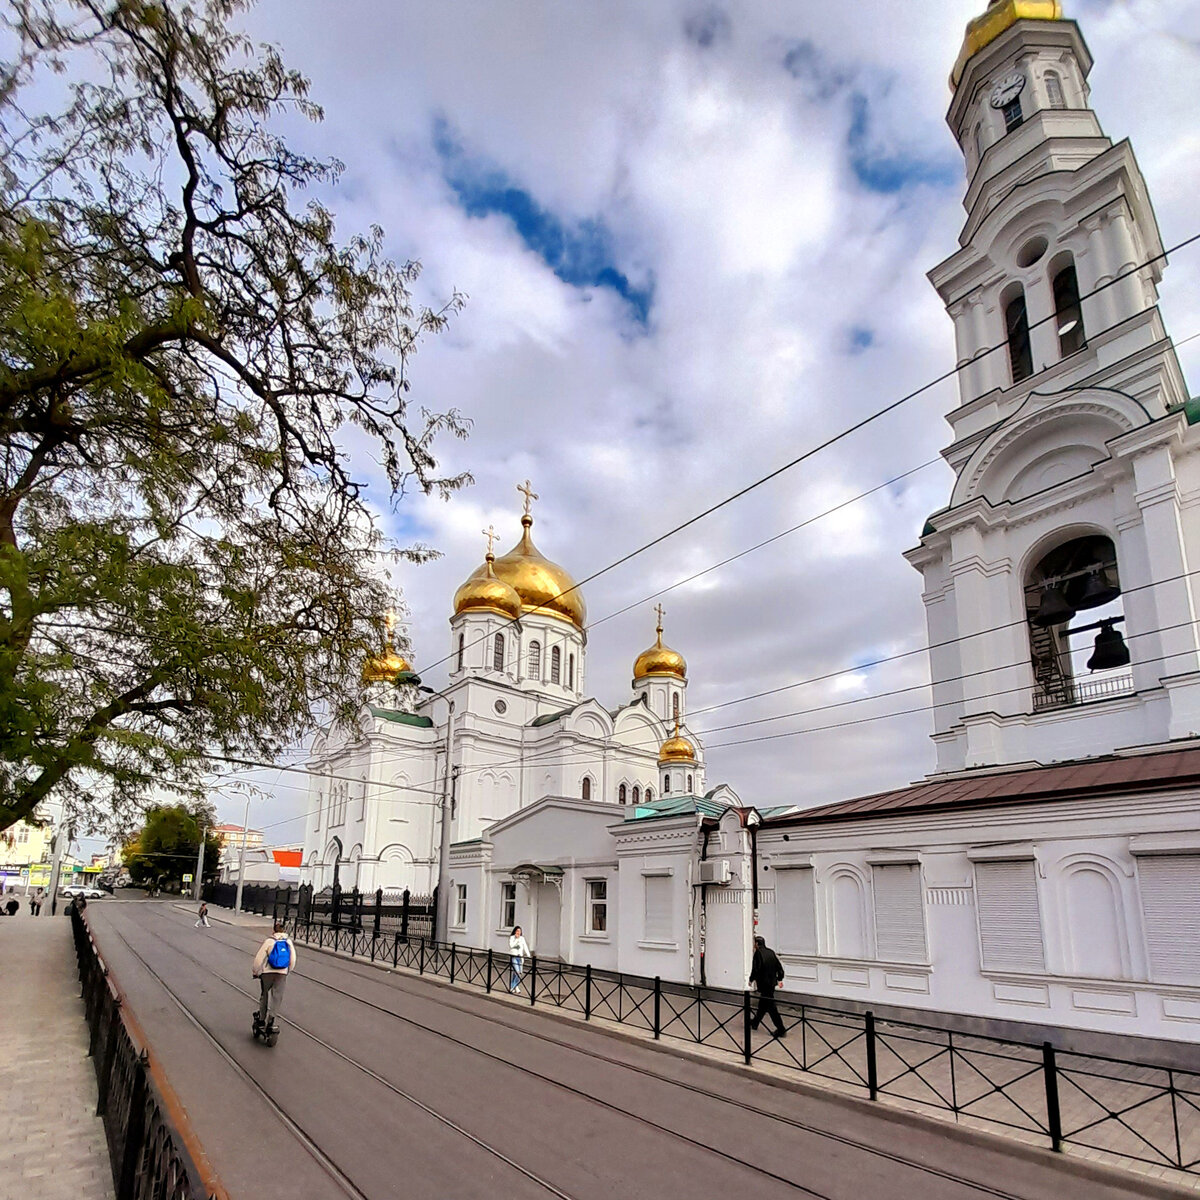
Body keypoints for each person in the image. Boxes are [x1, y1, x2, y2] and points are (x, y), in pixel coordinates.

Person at [252, 919, 297, 1029]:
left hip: (267, 973)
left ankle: (262, 1019)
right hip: (281, 974)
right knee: (277, 997)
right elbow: (293, 959)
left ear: (274, 930)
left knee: (264, 995)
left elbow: (259, 958)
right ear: (284, 930)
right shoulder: (288, 942)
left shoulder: (269, 941)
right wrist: (287, 970)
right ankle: (271, 1018)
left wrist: (255, 971)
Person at [749, 935, 787, 1038]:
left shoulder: (758, 954)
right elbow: (779, 968)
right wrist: (779, 979)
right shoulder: (771, 952)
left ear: (757, 944)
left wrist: (751, 979)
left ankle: (781, 1028)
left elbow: (756, 969)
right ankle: (755, 1022)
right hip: (771, 984)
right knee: (763, 1005)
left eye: (754, 943)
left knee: (771, 1007)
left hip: (764, 984)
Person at [508, 925, 530, 994]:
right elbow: (511, 946)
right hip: (514, 956)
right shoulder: (512, 938)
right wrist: (516, 939)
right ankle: (513, 987)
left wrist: (528, 955)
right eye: (517, 931)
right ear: (515, 931)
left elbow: (525, 947)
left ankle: (515, 986)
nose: (518, 932)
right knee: (517, 972)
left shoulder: (522, 938)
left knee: (519, 973)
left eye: (520, 931)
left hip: (520, 957)